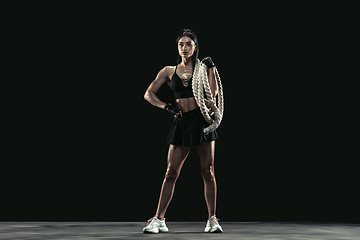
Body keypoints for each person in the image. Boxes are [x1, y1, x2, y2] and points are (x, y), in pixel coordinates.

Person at [143, 29, 223, 234]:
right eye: (181, 44)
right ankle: (158, 219)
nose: (184, 48)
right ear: (177, 47)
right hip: (181, 121)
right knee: (171, 172)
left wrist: (212, 69)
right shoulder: (169, 71)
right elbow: (148, 94)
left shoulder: (203, 69)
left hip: (202, 120)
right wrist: (167, 107)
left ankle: (212, 219)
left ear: (195, 47)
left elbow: (212, 95)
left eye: (189, 44)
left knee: (208, 171)